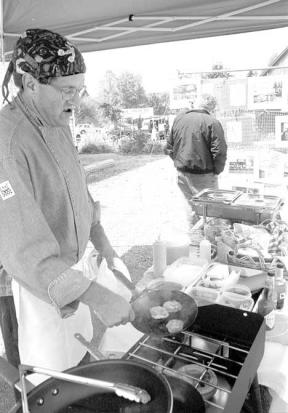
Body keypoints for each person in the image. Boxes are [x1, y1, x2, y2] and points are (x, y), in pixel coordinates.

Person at [0, 28, 134, 374]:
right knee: (39, 383)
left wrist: (105, 246)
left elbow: (79, 191)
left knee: (77, 368)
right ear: (30, 84)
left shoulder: (57, 123)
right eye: (67, 91)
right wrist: (99, 296)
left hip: (68, 274)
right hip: (25, 286)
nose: (76, 100)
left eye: (79, 89)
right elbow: (23, 250)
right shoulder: (8, 142)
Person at [165, 94, 227, 227]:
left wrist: (180, 162)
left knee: (190, 210)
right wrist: (216, 171)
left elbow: (168, 147)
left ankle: (195, 241)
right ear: (212, 108)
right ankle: (210, 243)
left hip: (182, 174)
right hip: (204, 175)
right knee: (210, 213)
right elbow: (220, 151)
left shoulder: (179, 119)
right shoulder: (212, 122)